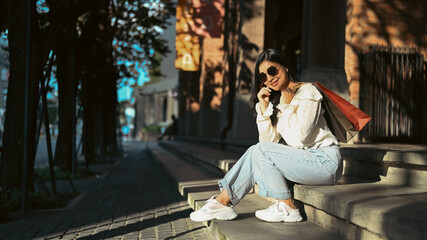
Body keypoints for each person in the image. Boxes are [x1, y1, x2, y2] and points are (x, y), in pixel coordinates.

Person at [189, 49, 342, 223]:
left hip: (325, 162)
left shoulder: (307, 91)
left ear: (285, 67)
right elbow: (267, 143)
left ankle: (285, 207)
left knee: (259, 150)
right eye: (263, 76)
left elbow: (302, 137)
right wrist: (263, 110)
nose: (269, 78)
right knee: (258, 150)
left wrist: (285, 106)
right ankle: (223, 202)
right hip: (304, 162)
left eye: (272, 71)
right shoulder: (278, 102)